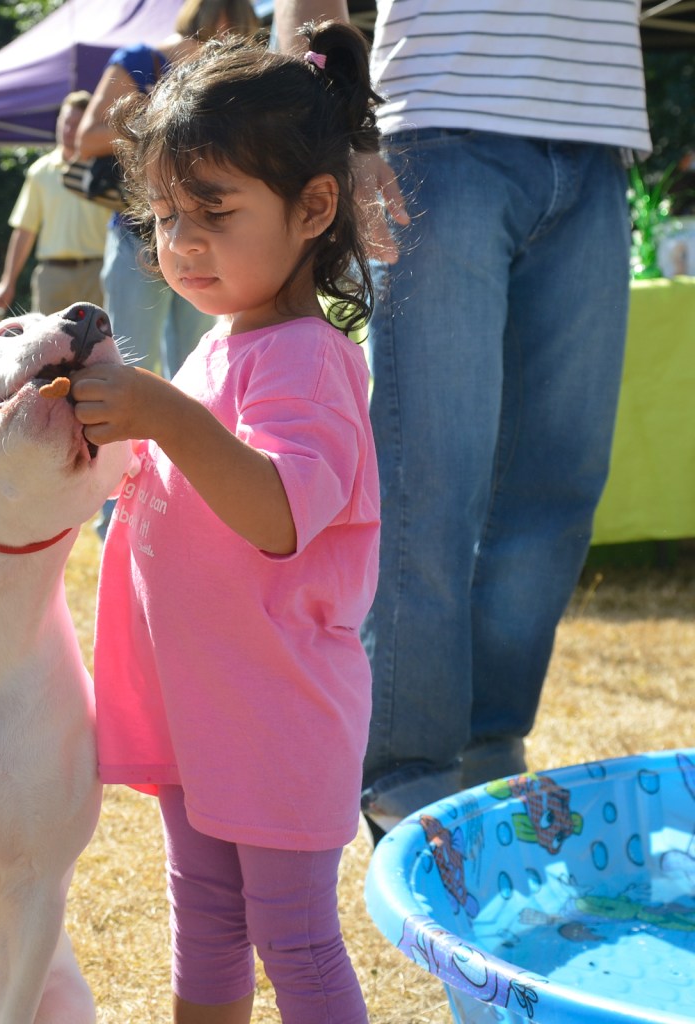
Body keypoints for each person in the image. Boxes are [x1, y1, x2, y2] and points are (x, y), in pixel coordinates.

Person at [70, 22, 381, 1023]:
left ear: (313, 208)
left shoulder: (309, 360)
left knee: (293, 938)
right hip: (200, 708)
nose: (182, 240)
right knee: (201, 921)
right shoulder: (216, 351)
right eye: (163, 216)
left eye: (214, 209)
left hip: (278, 718)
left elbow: (279, 512)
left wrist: (161, 412)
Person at [357, 1, 652, 840]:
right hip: (441, 123)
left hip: (599, 139)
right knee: (429, 480)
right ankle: (408, 782)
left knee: (560, 486)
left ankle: (490, 759)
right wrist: (338, 122)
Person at [74, 0, 260, 379]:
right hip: (140, 234)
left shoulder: (242, 72)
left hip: (212, 233)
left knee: (201, 367)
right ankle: (124, 441)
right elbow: (86, 138)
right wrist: (167, 118)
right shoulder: (141, 59)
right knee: (127, 363)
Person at [0, 91, 109, 315]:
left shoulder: (106, 171)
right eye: (65, 122)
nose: (68, 129)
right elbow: (24, 230)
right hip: (53, 275)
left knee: (99, 346)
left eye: (76, 123)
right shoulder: (40, 171)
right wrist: (8, 281)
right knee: (48, 347)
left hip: (98, 272)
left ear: (88, 126)